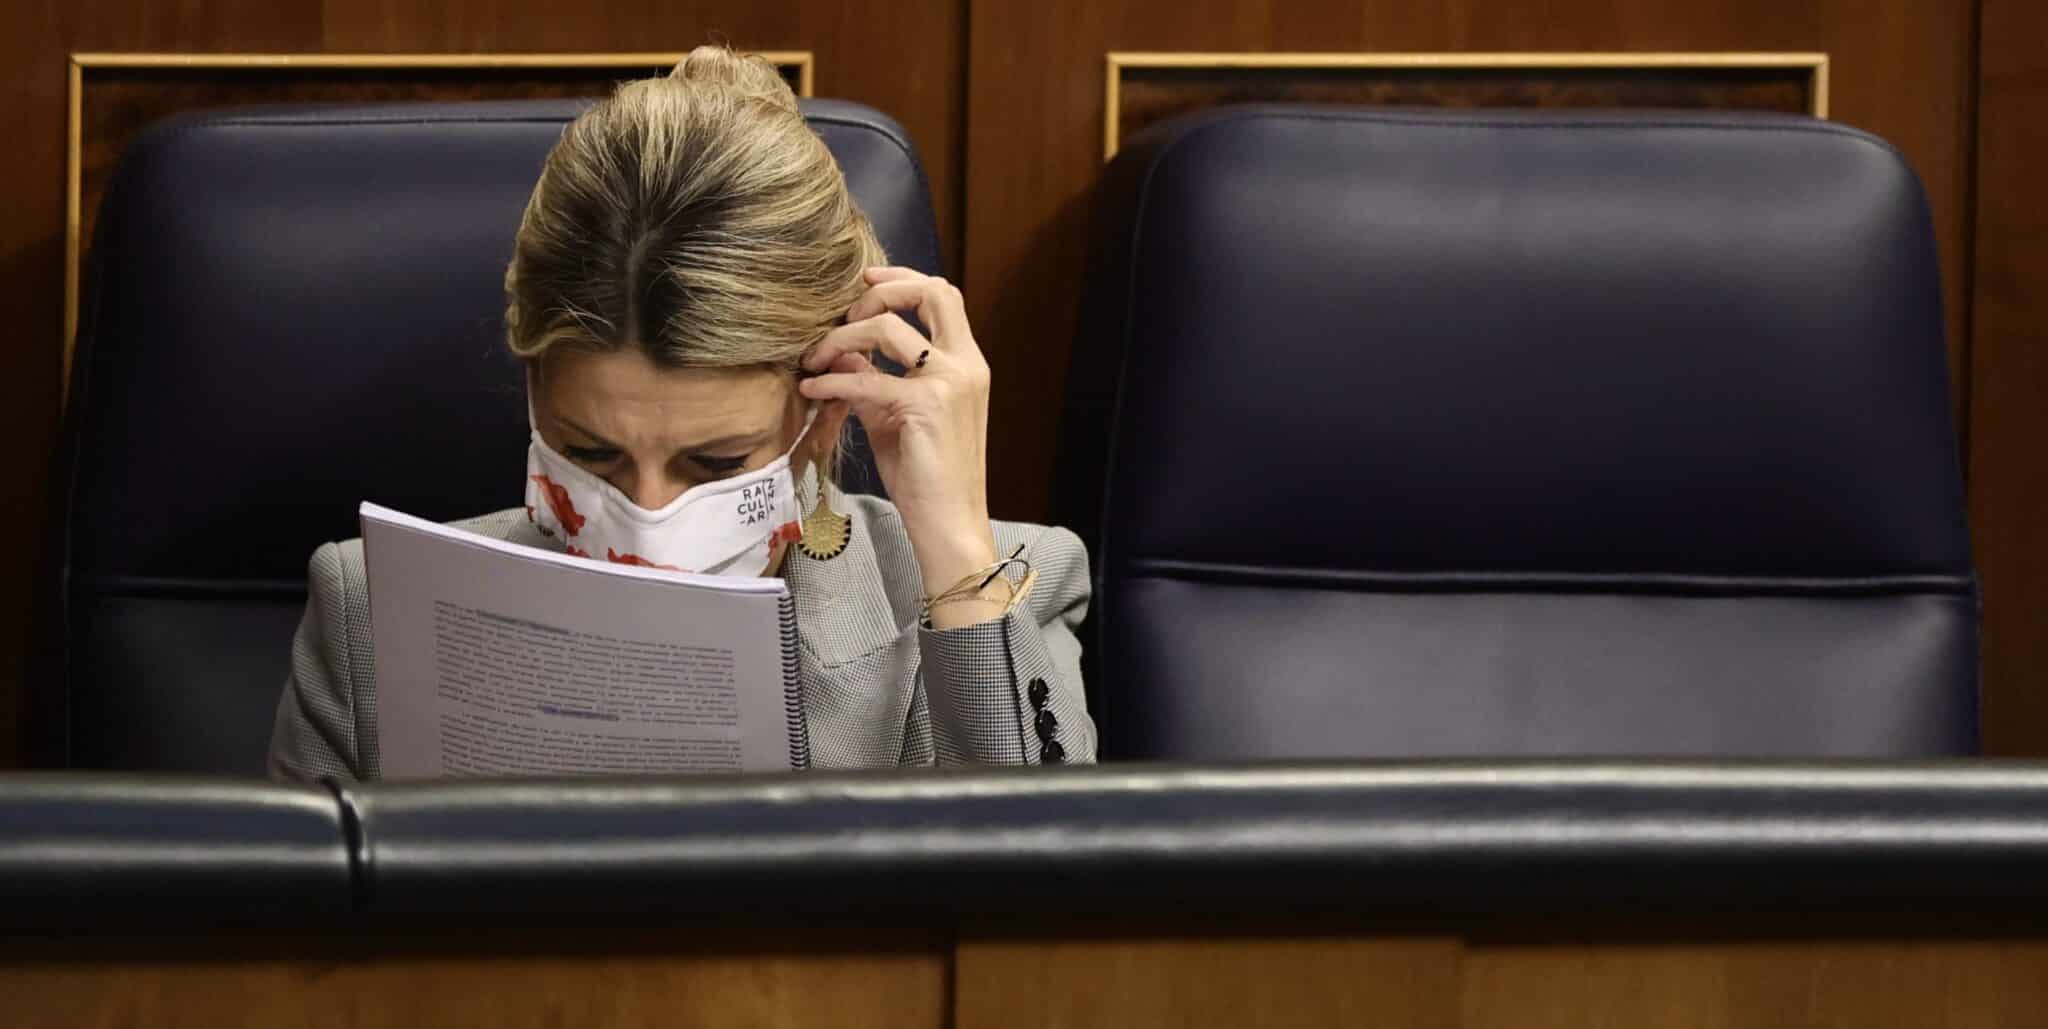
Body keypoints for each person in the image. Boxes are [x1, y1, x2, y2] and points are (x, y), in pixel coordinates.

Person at [265, 46, 1095, 781]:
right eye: (591, 454)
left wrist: (956, 558)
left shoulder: (1006, 590)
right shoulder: (368, 612)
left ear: (828, 407)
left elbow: (1046, 920)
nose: (648, 517)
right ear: (534, 389)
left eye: (715, 462)